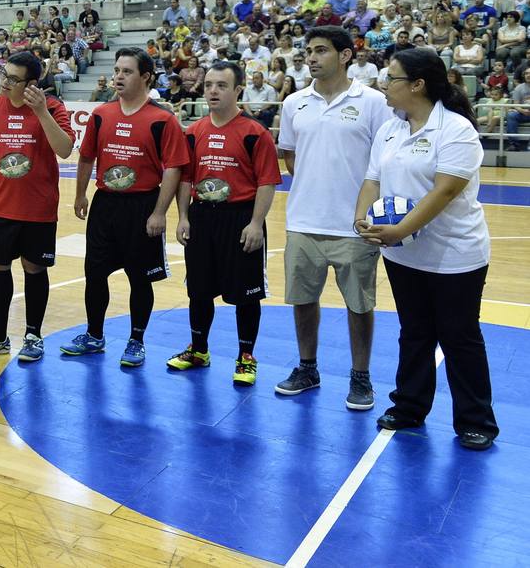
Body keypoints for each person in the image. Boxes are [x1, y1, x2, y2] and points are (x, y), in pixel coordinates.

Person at [354, 48, 498, 450]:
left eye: (392, 78)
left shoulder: (456, 130)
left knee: (459, 336)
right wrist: (360, 218)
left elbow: (445, 191)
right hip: (402, 255)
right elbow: (372, 180)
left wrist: (399, 230)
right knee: (414, 333)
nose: (385, 84)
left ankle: (476, 420)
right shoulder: (390, 129)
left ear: (417, 84)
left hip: (455, 256)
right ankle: (409, 407)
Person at [275, 26, 392, 409]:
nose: (311, 57)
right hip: (303, 221)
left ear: (345, 56)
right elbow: (289, 155)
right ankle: (307, 368)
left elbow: (384, 161)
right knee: (303, 301)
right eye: (308, 50)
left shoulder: (374, 101)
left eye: (321, 50)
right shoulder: (294, 103)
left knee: (360, 305)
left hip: (355, 225)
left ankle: (361, 377)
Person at [66, 49, 188, 367]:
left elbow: (174, 168)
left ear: (146, 77)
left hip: (142, 205)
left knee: (140, 278)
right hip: (105, 205)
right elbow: (86, 157)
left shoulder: (163, 119)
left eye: (127, 72)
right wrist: (80, 195)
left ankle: (136, 340)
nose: (118, 76)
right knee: (94, 274)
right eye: (117, 70)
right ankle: (94, 335)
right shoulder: (101, 114)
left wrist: (160, 212)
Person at [170, 61, 281, 386]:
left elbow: (266, 182)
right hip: (203, 218)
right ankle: (199, 349)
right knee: (199, 291)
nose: (213, 91)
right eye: (208, 85)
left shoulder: (254, 133)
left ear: (238, 90)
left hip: (241, 219)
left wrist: (256, 223)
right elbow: (186, 179)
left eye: (221, 85)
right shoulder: (194, 132)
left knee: (246, 295)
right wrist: (184, 217)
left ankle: (246, 357)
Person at [0, 51, 75, 361]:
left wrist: (41, 112)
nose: (4, 82)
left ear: (32, 84)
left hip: (38, 208)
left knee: (34, 268)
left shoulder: (53, 107)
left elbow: (64, 149)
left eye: (13, 79)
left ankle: (33, 335)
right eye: (4, 74)